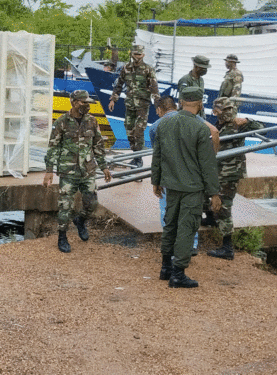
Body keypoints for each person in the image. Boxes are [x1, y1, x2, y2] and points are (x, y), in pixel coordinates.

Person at [151, 87, 221, 288]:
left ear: (181, 102)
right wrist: (214, 193)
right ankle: (178, 273)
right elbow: (207, 164)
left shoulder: (164, 124)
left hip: (170, 186)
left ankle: (165, 267)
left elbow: (157, 155)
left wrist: (156, 181)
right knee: (186, 228)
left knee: (170, 223)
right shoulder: (200, 128)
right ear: (200, 104)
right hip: (192, 188)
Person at [44, 89, 112, 253]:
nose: (87, 105)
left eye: (88, 103)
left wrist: (104, 166)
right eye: (84, 102)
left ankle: (80, 220)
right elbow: (53, 146)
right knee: (65, 206)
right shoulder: (62, 122)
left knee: (92, 204)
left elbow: (98, 146)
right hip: (68, 171)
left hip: (87, 171)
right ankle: (62, 237)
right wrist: (49, 170)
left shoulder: (92, 121)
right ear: (74, 102)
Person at [206, 97, 264, 260]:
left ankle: (227, 248)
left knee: (223, 206)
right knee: (206, 193)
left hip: (230, 172)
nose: (227, 113)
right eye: (222, 110)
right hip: (217, 170)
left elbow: (262, 129)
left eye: (228, 110)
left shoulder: (237, 125)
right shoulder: (217, 125)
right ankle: (210, 219)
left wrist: (247, 120)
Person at [108, 45, 159, 168]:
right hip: (130, 104)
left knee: (139, 131)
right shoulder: (126, 68)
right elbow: (119, 84)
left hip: (143, 105)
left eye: (140, 55)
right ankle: (135, 156)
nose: (138, 57)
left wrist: (158, 104)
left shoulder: (148, 69)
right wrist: (113, 100)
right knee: (129, 130)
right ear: (132, 54)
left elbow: (154, 88)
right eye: (136, 54)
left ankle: (139, 159)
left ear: (143, 55)